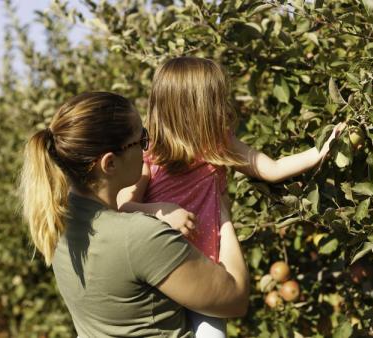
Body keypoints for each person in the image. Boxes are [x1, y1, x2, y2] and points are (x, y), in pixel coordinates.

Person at [117, 57, 345, 337]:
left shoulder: (217, 143)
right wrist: (163, 212)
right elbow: (124, 208)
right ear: (191, 108)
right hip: (163, 273)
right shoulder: (150, 154)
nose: (222, 108)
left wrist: (320, 150)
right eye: (215, 101)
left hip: (207, 272)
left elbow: (270, 168)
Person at [18, 91, 249, 337]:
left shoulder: (56, 223)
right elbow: (234, 298)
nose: (147, 149)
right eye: (141, 140)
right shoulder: (140, 236)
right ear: (110, 164)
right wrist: (222, 215)